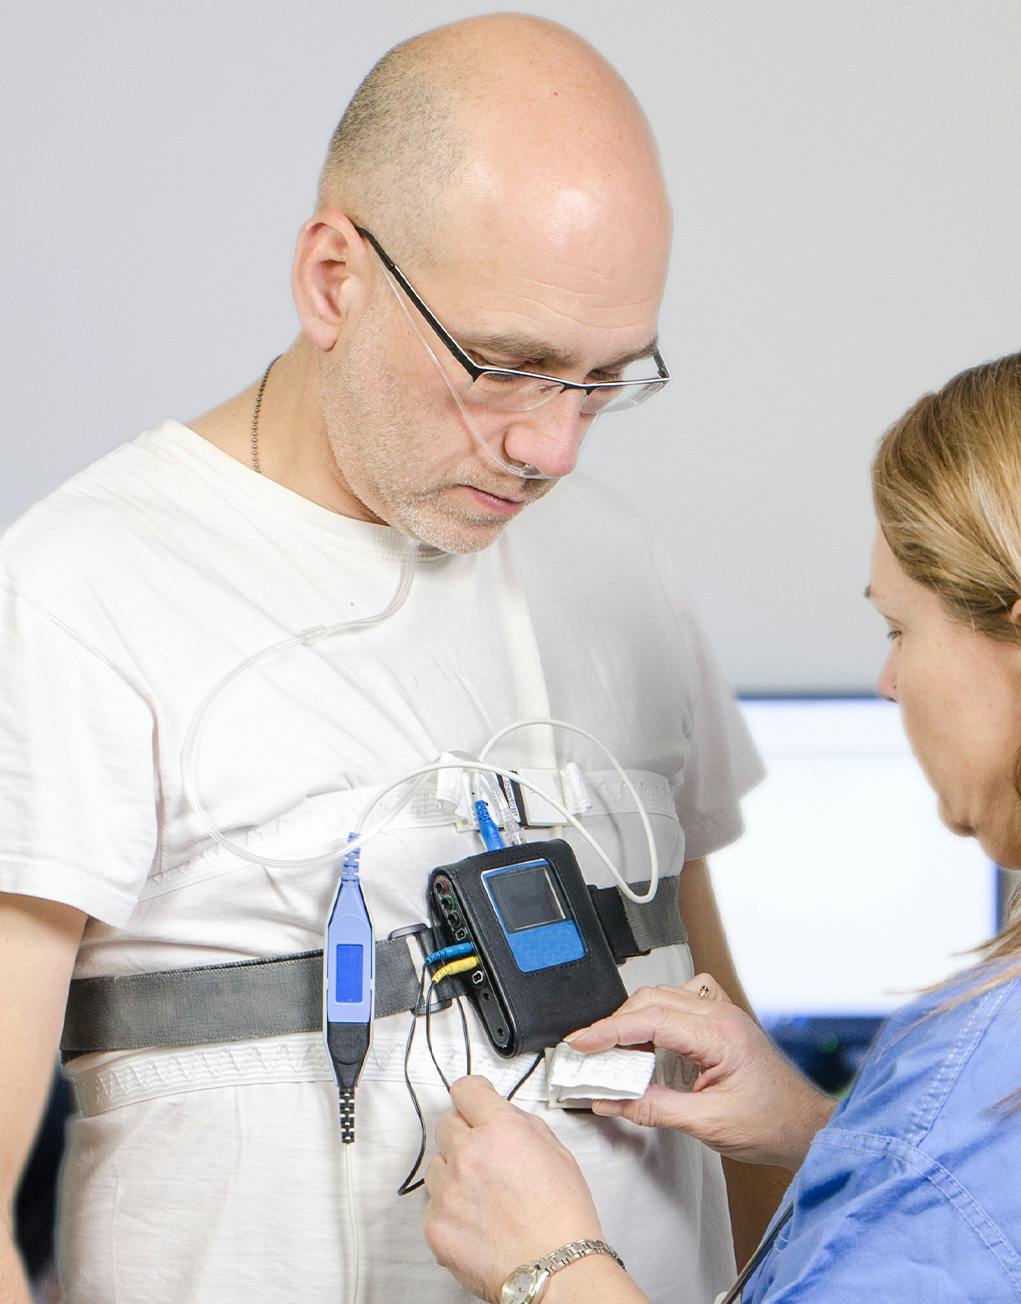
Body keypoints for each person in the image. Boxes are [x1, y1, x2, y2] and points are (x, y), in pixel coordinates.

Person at [0, 16, 775, 1304]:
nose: (551, 448)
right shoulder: (83, 586)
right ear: (332, 279)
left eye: (600, 380)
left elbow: (720, 1056)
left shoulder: (619, 563)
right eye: (507, 366)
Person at [422, 331, 1021, 1303]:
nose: (888, 679)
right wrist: (838, 1136)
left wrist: (551, 1263)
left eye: (900, 628)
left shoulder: (1009, 1079)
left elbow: (1006, 1186)